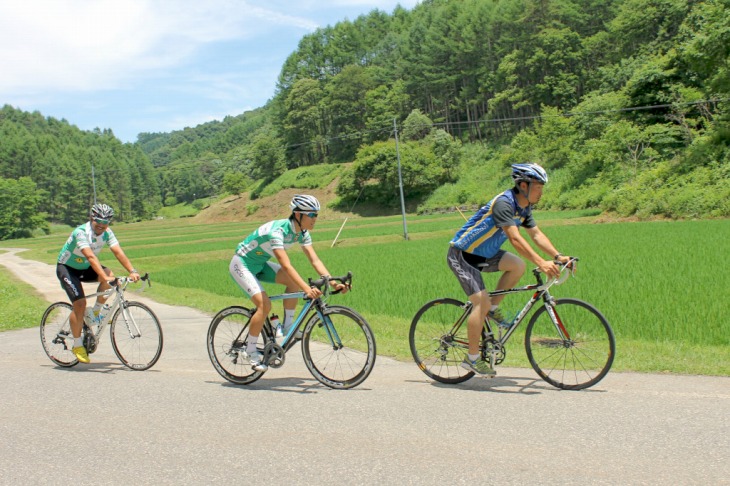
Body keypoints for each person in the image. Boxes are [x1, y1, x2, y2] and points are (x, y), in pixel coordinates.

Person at [447, 163, 571, 376]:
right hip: (463, 254)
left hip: (485, 253)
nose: (541, 192)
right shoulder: (504, 203)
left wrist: (557, 256)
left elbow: (536, 234)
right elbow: (514, 238)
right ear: (524, 185)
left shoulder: (524, 208)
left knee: (518, 266)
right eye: (538, 187)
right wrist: (541, 263)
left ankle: (492, 309)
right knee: (481, 302)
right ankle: (473, 358)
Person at [229, 194, 348, 371]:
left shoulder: (302, 233)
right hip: (242, 264)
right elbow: (286, 264)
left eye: (317, 214)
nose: (316, 219)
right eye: (312, 215)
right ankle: (250, 350)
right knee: (264, 305)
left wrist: (332, 283)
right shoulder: (277, 231)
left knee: (292, 283)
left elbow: (314, 260)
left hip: (260, 264)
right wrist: (307, 289)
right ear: (298, 215)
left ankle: (287, 326)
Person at [56, 203, 141, 364]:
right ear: (91, 219)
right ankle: (77, 344)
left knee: (110, 275)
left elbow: (118, 251)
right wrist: (103, 276)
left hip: (85, 268)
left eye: (105, 223)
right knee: (80, 304)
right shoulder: (80, 232)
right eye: (98, 223)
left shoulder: (107, 233)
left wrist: (132, 270)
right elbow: (91, 257)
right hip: (67, 268)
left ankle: (95, 312)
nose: (101, 226)